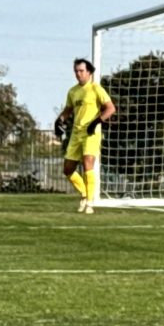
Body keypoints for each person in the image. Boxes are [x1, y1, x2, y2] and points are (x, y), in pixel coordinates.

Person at [56, 58, 116, 214]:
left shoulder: (96, 89)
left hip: (91, 132)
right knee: (68, 169)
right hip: (76, 133)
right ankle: (84, 193)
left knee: (88, 162)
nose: (78, 74)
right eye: (76, 71)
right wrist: (59, 121)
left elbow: (110, 108)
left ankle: (90, 202)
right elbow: (68, 111)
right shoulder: (73, 91)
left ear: (89, 72)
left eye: (81, 71)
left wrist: (97, 121)